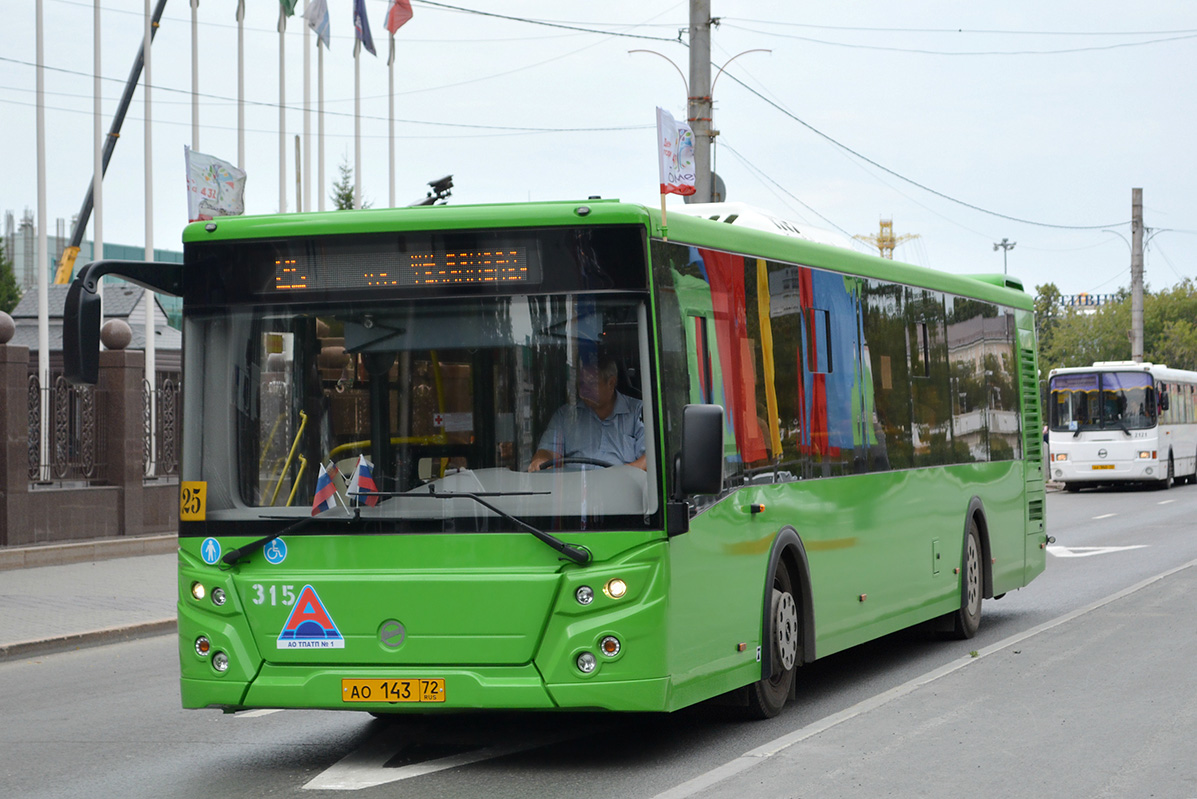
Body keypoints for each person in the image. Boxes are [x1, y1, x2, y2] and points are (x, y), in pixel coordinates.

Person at [528, 355, 646, 471]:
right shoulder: (566, 415)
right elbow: (548, 451)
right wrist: (541, 460)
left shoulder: (638, 412)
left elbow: (650, 459)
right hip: (575, 487)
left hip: (623, 487)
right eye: (581, 384)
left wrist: (618, 476)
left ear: (611, 383)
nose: (584, 390)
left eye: (591, 384)